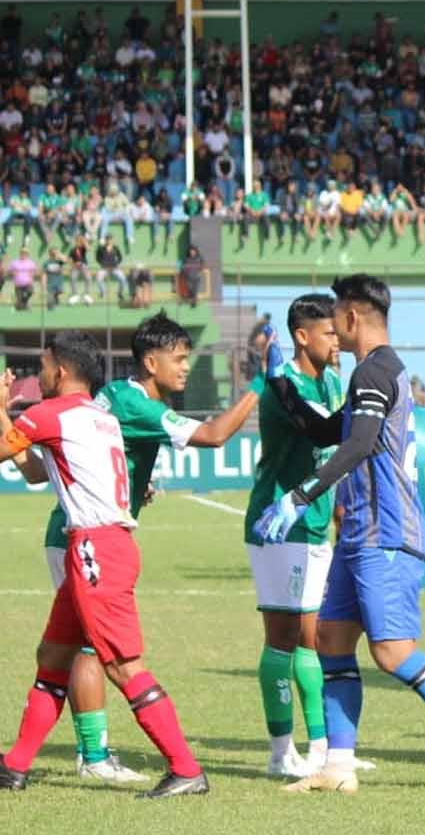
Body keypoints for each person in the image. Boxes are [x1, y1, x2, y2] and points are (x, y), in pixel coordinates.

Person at [255, 274, 425, 795]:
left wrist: (299, 496)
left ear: (352, 318)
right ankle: (339, 765)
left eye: (335, 321)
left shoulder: (375, 371)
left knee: (393, 651)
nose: (333, 331)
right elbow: (330, 432)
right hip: (360, 532)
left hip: (386, 533)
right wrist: (281, 385)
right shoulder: (371, 373)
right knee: (331, 640)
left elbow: (361, 444)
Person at [42, 311, 263, 784]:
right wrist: (261, 385)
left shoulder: (121, 398)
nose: (185, 368)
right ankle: (95, 756)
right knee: (89, 649)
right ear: (149, 360)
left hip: (85, 532)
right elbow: (214, 435)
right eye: (178, 359)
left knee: (71, 649)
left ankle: (31, 760)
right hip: (81, 537)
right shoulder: (136, 404)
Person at [0, 335, 209, 798]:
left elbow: (12, 452)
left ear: (62, 371)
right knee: (53, 658)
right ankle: (13, 766)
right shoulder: (99, 416)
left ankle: (185, 767)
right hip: (102, 545)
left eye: (44, 366)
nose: (40, 376)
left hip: (96, 547)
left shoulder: (50, 413)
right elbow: (36, 469)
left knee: (122, 665)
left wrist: (4, 410)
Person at [244, 297, 343, 778]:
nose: (337, 341)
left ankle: (321, 749)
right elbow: (321, 429)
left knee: (311, 637)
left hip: (316, 523)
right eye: (328, 333)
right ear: (302, 336)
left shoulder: (332, 381)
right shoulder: (283, 388)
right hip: (278, 523)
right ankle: (281, 750)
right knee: (286, 635)